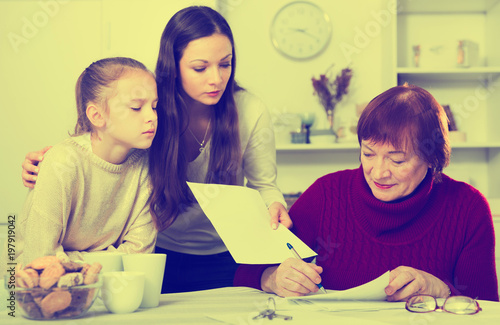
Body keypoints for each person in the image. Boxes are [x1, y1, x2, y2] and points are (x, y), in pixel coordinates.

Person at [20, 6, 290, 293]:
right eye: (200, 68)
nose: (216, 79)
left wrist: (276, 205)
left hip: (227, 252)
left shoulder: (248, 109)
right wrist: (48, 164)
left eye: (225, 64)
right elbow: (101, 143)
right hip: (159, 251)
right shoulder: (150, 101)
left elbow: (265, 184)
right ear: (174, 65)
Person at [234, 84, 499, 302]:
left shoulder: (467, 208)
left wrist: (442, 290)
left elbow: (486, 307)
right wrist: (272, 278)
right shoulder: (326, 195)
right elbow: (245, 274)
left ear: (432, 158)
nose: (378, 172)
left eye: (397, 161)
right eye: (368, 154)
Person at [8, 57, 158, 269]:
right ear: (97, 116)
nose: (151, 116)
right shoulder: (62, 163)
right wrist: (107, 260)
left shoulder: (145, 167)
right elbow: (40, 258)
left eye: (154, 106)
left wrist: (70, 258)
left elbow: (139, 257)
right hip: (34, 291)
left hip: (106, 292)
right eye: (136, 107)